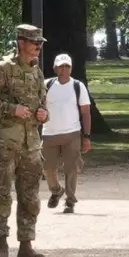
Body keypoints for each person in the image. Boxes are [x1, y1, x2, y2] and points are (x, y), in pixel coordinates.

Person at [0, 23, 50, 257]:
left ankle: (26, 244)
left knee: (30, 196)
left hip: (31, 144)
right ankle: (1, 244)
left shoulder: (37, 71)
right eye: (35, 43)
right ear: (21, 43)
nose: (38, 47)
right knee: (1, 195)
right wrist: (12, 109)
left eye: (41, 44)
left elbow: (43, 103)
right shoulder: (3, 69)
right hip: (5, 143)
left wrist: (44, 113)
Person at [42, 53, 91, 214]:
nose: (64, 69)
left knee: (71, 169)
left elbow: (85, 112)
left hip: (72, 133)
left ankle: (70, 201)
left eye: (67, 66)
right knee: (47, 168)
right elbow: (39, 106)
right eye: (61, 66)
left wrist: (87, 137)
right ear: (55, 68)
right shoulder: (46, 85)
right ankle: (56, 190)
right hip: (49, 133)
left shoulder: (78, 86)